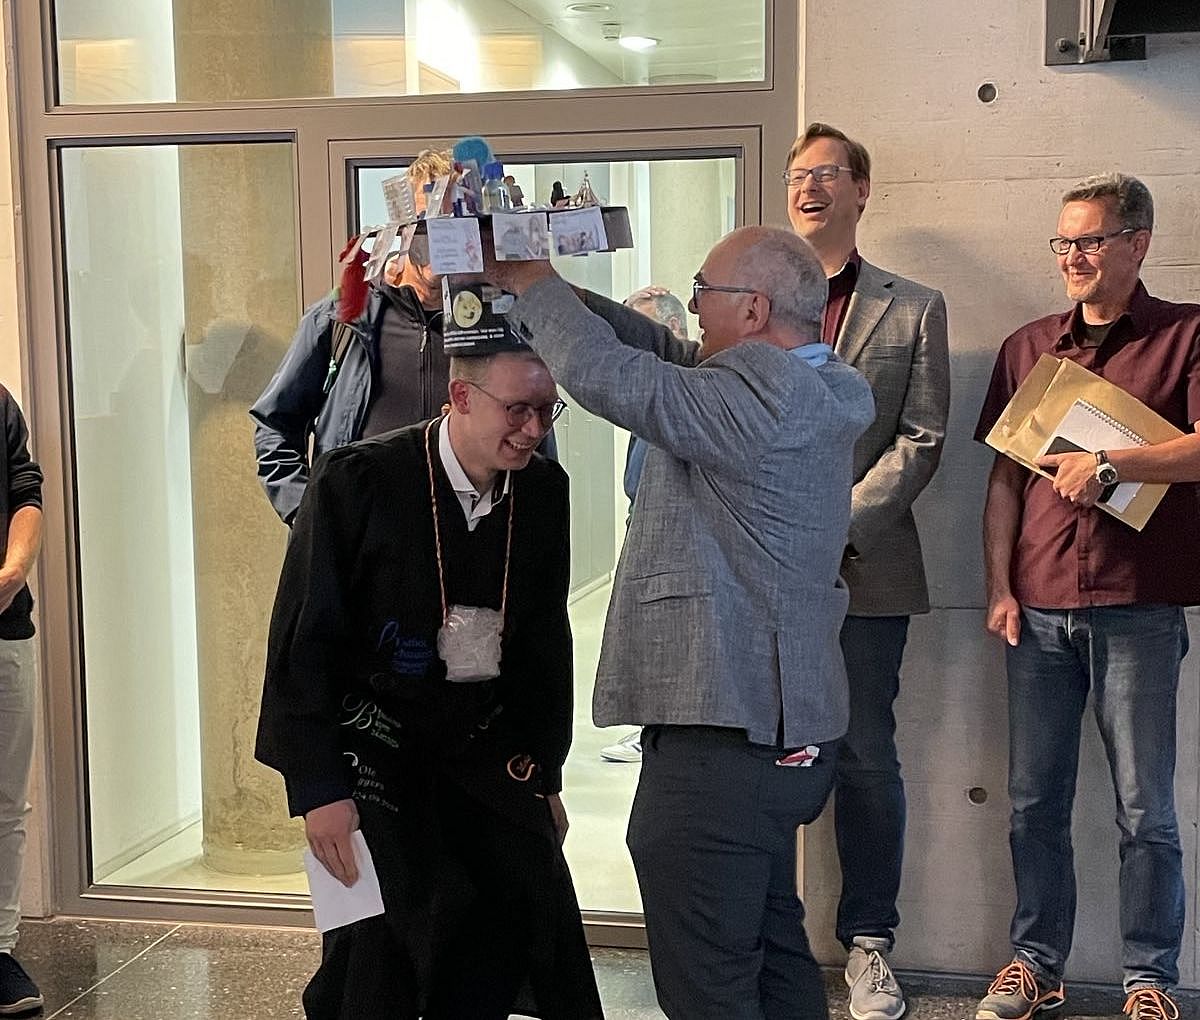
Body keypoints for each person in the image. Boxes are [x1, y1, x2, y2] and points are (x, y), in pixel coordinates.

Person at [483, 225, 875, 1020]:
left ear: (754, 310)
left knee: (708, 980)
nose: (693, 310)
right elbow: (660, 351)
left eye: (703, 293)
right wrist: (554, 288)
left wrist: (529, 280)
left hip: (725, 734)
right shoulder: (816, 382)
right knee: (766, 941)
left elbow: (619, 377)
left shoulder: (762, 398)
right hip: (772, 731)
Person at [255, 343, 603, 1020]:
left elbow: (542, 643)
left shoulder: (542, 490)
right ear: (462, 398)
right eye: (518, 410)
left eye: (547, 410)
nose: (534, 429)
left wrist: (545, 774)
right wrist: (319, 790)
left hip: (482, 741)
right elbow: (303, 640)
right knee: (376, 951)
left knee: (514, 911)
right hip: (373, 741)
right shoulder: (356, 480)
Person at [974, 173, 1200, 1020]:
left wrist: (1110, 465)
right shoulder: (1029, 348)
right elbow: (1004, 483)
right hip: (1036, 607)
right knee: (1033, 803)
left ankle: (1149, 981)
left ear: (1137, 244)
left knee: (1145, 810)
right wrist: (998, 587)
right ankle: (1036, 964)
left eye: (1091, 241)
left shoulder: (1186, 336)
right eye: (1064, 242)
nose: (1073, 257)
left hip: (1139, 607)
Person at [784, 121, 950, 1020]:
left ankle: (869, 943)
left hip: (868, 568)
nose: (808, 187)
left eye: (826, 173)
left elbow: (922, 438)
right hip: (763, 568)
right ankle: (767, 930)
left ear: (861, 190)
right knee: (762, 746)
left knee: (864, 756)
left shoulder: (913, 307)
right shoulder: (755, 296)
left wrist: (838, 525)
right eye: (796, 175)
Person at [249, 149, 453, 525]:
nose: (439, 238)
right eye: (425, 222)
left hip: (463, 544)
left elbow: (531, 438)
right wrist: (310, 517)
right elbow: (275, 424)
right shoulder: (344, 315)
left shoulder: (494, 325)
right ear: (400, 226)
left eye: (454, 221)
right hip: (359, 544)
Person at [599, 286, 690, 765]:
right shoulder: (649, 388)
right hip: (642, 518)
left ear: (672, 329)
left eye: (638, 331)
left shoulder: (686, 391)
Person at [0, 385, 44, 1017]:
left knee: (7, 801)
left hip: (6, 626)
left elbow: (25, 491)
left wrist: (13, 573)